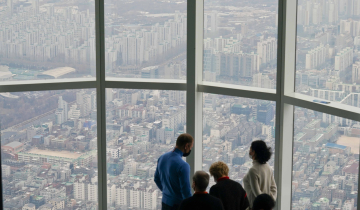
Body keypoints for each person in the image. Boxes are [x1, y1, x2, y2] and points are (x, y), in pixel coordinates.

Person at [154, 133, 194, 210]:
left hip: (165, 202)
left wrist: (167, 191)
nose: (190, 150)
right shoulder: (183, 166)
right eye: (190, 147)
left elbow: (156, 179)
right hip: (177, 205)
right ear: (186, 146)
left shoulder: (162, 158)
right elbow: (186, 191)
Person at [243, 140, 277, 209]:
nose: (249, 151)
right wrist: (269, 203)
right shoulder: (268, 167)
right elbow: (274, 189)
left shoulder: (253, 170)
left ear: (254, 152)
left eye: (250, 149)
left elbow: (258, 194)